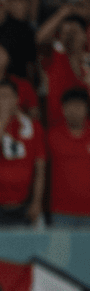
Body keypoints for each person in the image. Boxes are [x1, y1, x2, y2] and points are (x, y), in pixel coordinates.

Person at [0, 79, 44, 226]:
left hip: (22, 205)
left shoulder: (33, 126)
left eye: (7, 96)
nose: (3, 100)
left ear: (17, 99)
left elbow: (40, 169)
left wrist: (36, 202)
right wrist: (3, 118)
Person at [48, 89, 90, 228]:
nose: (74, 110)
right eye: (70, 106)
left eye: (79, 106)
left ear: (86, 108)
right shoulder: (52, 136)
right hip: (61, 212)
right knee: (60, 251)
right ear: (63, 109)